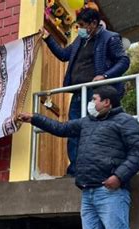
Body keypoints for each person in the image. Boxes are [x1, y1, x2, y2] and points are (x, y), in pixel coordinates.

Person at [18, 86, 139, 229]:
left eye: (94, 99)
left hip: (111, 192)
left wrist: (119, 177)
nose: (91, 102)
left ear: (107, 102)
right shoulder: (87, 122)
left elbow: (138, 153)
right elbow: (61, 128)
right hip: (87, 192)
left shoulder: (126, 121)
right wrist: (34, 118)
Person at [41, 8, 130, 176]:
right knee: (73, 130)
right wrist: (47, 37)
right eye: (77, 25)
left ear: (93, 24)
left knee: (97, 130)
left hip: (97, 93)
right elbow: (63, 54)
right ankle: (74, 171)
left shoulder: (110, 38)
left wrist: (105, 76)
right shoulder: (81, 40)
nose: (79, 28)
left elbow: (124, 61)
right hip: (78, 94)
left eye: (82, 25)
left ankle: (100, 170)